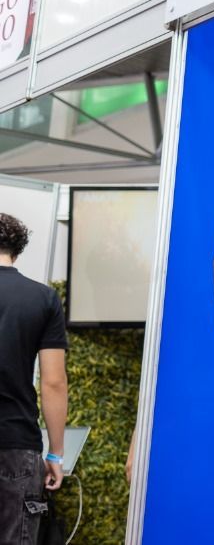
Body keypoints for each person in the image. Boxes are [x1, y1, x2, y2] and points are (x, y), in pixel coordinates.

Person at [0, 213, 67, 545]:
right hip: (17, 444)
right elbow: (53, 382)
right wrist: (55, 454)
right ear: (18, 249)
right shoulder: (42, 298)